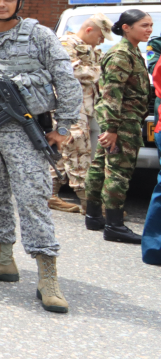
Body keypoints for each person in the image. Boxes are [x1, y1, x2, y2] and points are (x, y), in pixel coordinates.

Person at [0, 0, 80, 315]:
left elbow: (65, 78)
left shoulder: (39, 35)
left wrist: (65, 126)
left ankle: (48, 276)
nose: (1, 4)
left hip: (23, 132)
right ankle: (1, 259)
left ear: (19, 1)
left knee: (32, 198)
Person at [83, 9, 153, 245]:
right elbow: (112, 93)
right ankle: (114, 225)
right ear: (126, 27)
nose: (149, 30)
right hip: (122, 122)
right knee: (118, 172)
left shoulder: (132, 51)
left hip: (122, 120)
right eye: (144, 25)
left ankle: (93, 216)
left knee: (101, 165)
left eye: (150, 25)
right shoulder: (122, 54)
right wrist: (112, 128)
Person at [55, 14, 111, 213]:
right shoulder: (64, 44)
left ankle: (50, 194)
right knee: (79, 151)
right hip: (70, 106)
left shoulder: (92, 50)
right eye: (101, 36)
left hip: (87, 107)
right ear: (89, 30)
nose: (102, 41)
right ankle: (90, 203)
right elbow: (71, 72)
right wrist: (98, 72)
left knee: (65, 150)